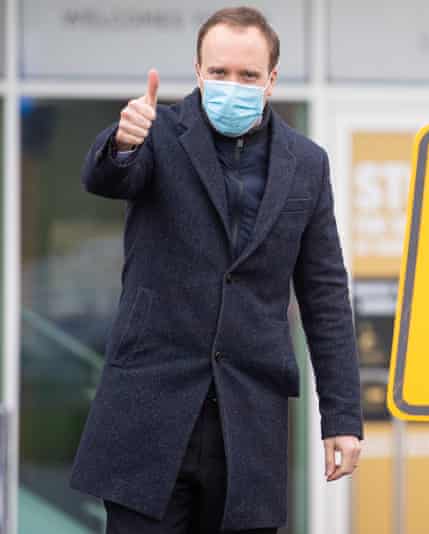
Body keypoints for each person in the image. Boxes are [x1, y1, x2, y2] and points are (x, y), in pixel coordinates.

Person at [68, 7, 363, 533]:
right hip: (148, 420)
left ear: (271, 80)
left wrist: (341, 417)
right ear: (199, 71)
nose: (233, 84)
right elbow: (108, 176)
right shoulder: (157, 136)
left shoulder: (307, 163)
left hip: (248, 426)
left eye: (248, 75)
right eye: (220, 72)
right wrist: (121, 142)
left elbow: (324, 295)